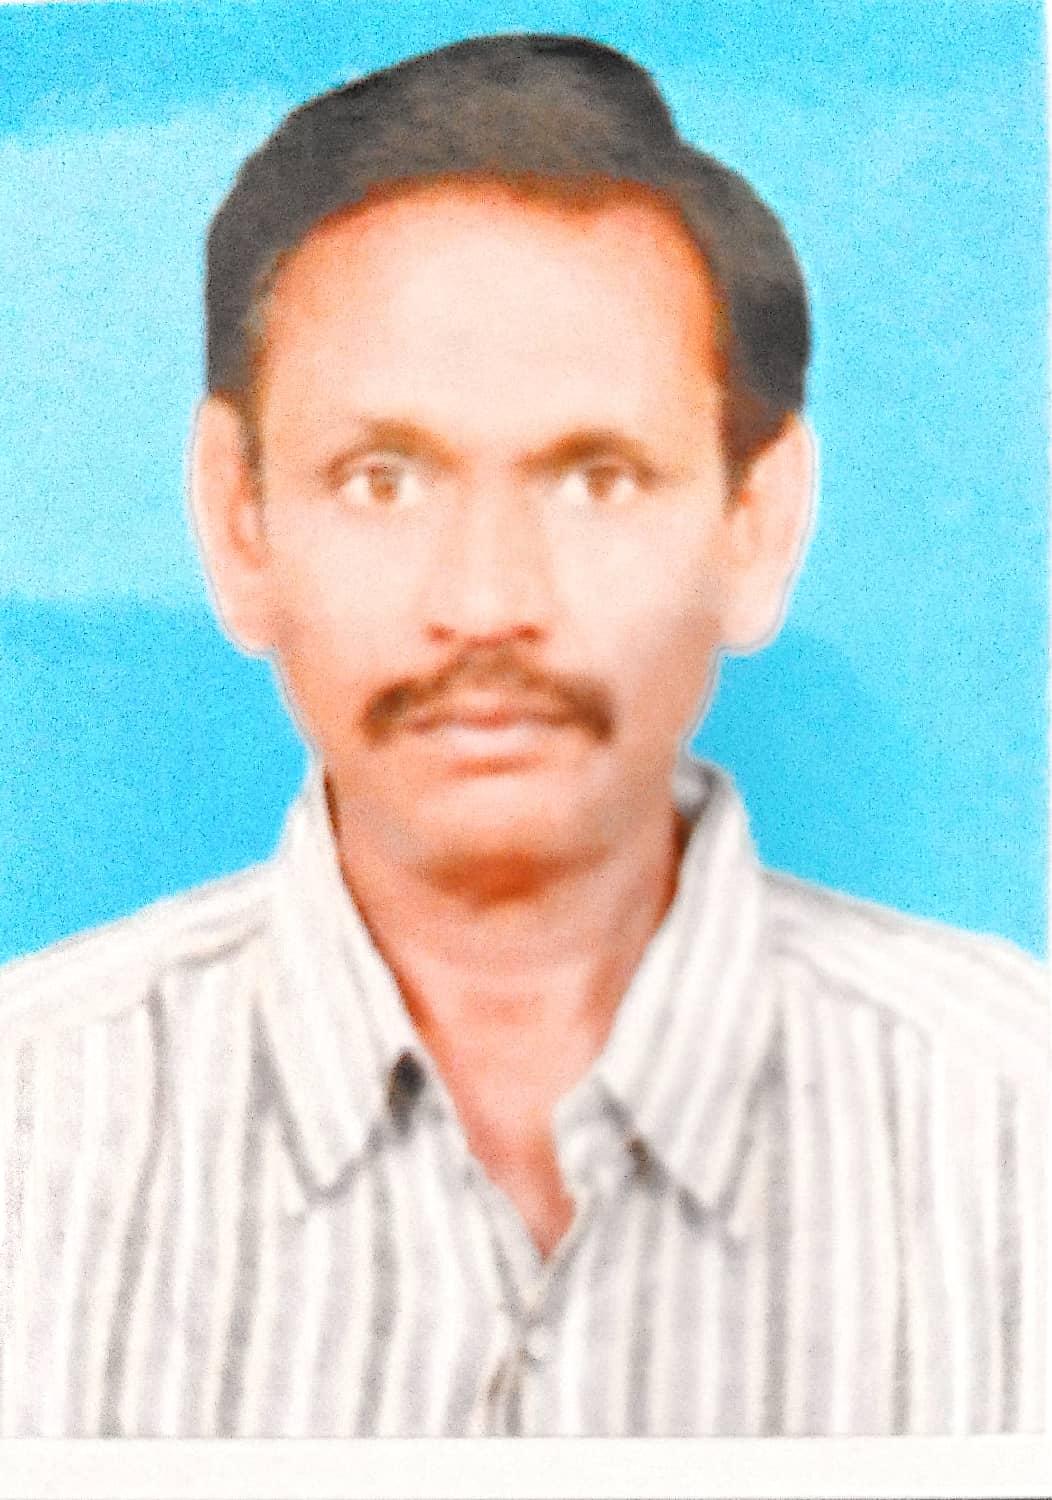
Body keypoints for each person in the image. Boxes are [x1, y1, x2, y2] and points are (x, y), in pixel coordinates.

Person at [0, 33, 1045, 1439]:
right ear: (239, 521)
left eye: (596, 478)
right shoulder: (27, 1124)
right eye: (382, 479)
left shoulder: (1015, 1122)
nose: (487, 604)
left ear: (757, 522)